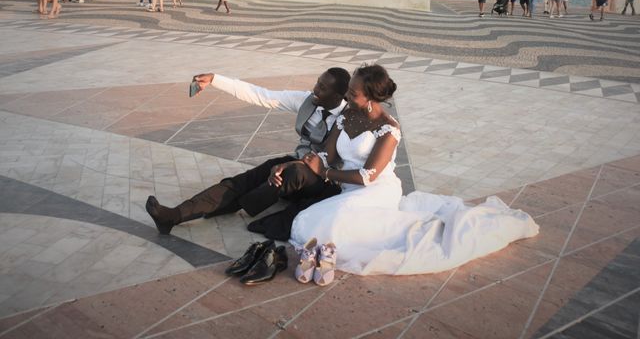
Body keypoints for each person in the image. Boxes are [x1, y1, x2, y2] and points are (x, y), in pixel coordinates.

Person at [291, 64, 538, 276]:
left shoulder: (389, 129)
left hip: (376, 190)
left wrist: (324, 173)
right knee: (315, 219)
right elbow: (329, 154)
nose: (346, 96)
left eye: (352, 93)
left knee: (335, 219)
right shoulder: (347, 116)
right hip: (347, 186)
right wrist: (311, 161)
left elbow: (367, 176)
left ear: (370, 98)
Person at [145, 67, 351, 238]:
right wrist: (216, 79)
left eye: (322, 88)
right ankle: (173, 216)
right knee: (245, 179)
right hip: (296, 163)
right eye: (317, 82)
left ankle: (239, 203)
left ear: (338, 96)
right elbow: (261, 95)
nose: (315, 89)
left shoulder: (350, 118)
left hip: (322, 179)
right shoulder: (307, 100)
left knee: (290, 173)